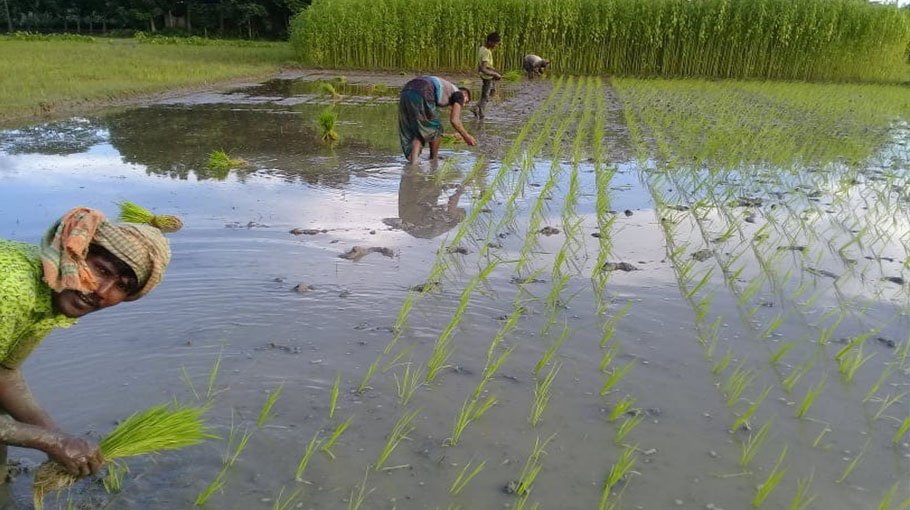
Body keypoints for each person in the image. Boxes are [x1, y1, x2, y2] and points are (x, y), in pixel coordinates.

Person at [0, 204, 179, 481]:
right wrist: (50, 442)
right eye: (101, 269)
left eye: (121, 286)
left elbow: (4, 372)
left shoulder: (51, 291)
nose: (101, 291)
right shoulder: (11, 288)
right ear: (75, 251)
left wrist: (56, 435)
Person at [398, 76, 477, 164]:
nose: (464, 105)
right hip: (424, 90)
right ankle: (433, 159)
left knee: (417, 129)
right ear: (465, 94)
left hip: (406, 91)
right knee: (436, 128)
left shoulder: (447, 90)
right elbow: (454, 120)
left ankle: (413, 162)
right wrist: (466, 137)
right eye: (466, 101)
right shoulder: (459, 94)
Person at [471, 32, 502, 119]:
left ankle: (477, 108)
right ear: (490, 42)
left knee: (487, 94)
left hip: (487, 76)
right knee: (485, 97)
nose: (496, 46)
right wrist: (495, 74)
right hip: (487, 77)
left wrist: (493, 69)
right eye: (496, 44)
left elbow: (482, 65)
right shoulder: (486, 52)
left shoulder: (482, 48)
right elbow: (483, 68)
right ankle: (480, 113)